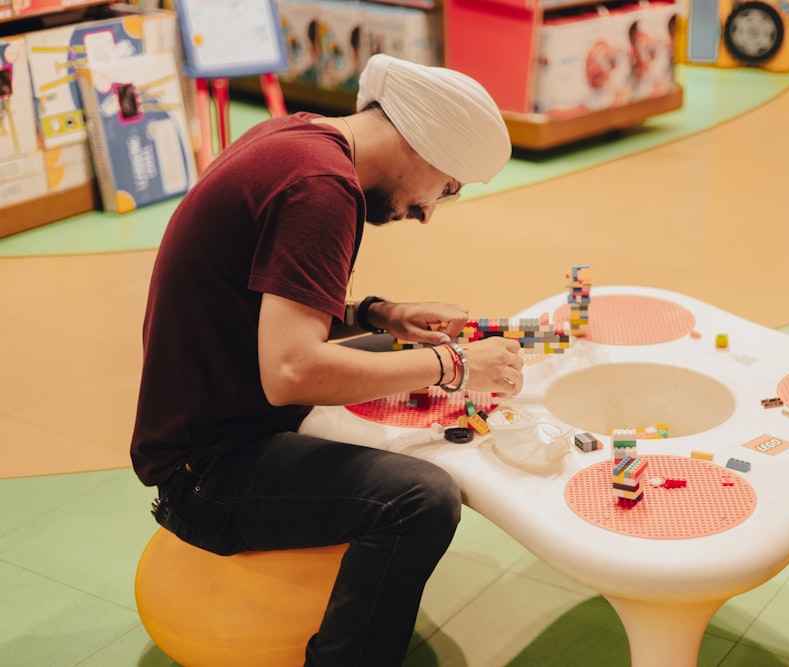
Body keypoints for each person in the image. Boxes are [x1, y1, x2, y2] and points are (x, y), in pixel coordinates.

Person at [130, 54, 524, 666]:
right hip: (204, 472)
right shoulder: (322, 189)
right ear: (424, 143)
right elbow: (290, 372)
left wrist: (377, 314)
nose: (427, 212)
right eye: (446, 188)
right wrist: (455, 364)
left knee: (401, 350)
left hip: (214, 416)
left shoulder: (299, 138)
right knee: (421, 500)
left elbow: (264, 301)